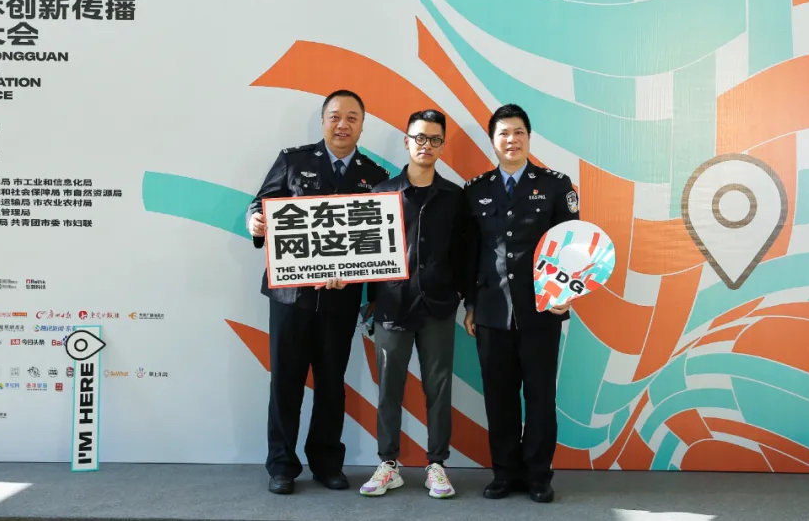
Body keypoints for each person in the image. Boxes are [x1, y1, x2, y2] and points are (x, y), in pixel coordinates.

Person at [246, 89, 390, 495]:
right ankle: (281, 466)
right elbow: (261, 206)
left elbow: (379, 241)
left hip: (342, 298)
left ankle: (327, 463)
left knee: (331, 382)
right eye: (335, 116)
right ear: (323, 120)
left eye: (351, 117)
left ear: (362, 125)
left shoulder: (375, 175)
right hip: (291, 296)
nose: (342, 124)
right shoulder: (293, 161)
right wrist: (255, 222)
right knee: (285, 382)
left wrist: (369, 288)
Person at [462, 103, 581, 503]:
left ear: (529, 138)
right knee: (499, 397)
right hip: (491, 310)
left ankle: (538, 476)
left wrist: (566, 294)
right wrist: (471, 304)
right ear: (492, 140)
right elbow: (470, 252)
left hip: (542, 309)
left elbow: (572, 245)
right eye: (503, 133)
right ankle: (504, 473)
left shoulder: (555, 185)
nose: (511, 140)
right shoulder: (476, 189)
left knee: (541, 397)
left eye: (518, 132)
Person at [358, 110, 473, 500]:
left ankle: (436, 464)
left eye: (435, 139)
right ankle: (388, 464)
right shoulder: (382, 193)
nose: (426, 145)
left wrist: (465, 298)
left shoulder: (455, 197)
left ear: (442, 146)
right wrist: (370, 301)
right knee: (389, 388)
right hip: (392, 306)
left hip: (438, 306)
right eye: (420, 138)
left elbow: (466, 254)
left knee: (438, 388)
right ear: (407, 141)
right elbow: (366, 254)